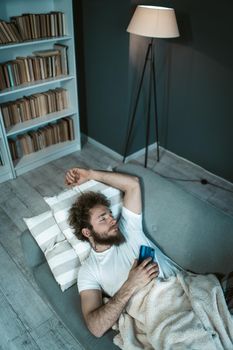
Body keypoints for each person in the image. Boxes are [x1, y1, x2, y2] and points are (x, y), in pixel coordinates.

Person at [65, 167, 182, 338]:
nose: (112, 219)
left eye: (110, 214)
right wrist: (132, 283)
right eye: (103, 218)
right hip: (165, 318)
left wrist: (90, 174)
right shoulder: (88, 271)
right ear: (87, 232)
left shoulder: (128, 226)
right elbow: (95, 327)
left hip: (186, 288)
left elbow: (133, 184)